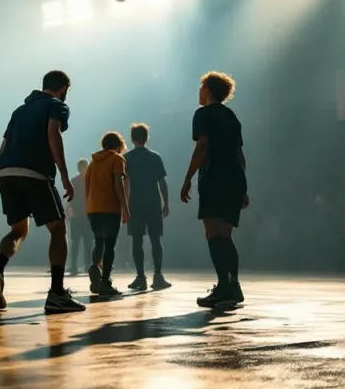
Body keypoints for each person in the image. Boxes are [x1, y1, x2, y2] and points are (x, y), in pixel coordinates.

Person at [0, 70, 86, 314]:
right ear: (64, 89)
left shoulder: (19, 110)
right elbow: (53, 134)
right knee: (58, 229)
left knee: (18, 230)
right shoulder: (57, 105)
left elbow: (4, 144)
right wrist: (63, 173)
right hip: (34, 172)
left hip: (6, 171)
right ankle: (57, 294)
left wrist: (0, 175)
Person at [180, 71, 248, 308]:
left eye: (201, 87)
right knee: (226, 235)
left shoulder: (202, 114)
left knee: (212, 233)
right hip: (234, 180)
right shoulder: (232, 117)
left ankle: (222, 288)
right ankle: (233, 285)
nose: (199, 92)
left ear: (208, 89)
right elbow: (240, 155)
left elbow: (203, 145)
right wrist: (244, 187)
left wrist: (187, 177)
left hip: (214, 177)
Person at [125, 123, 171, 291]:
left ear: (131, 138)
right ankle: (158, 276)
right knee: (155, 239)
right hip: (152, 202)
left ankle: (140, 277)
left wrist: (123, 205)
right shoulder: (155, 157)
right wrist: (166, 202)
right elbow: (162, 182)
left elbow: (125, 183)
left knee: (137, 240)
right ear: (147, 137)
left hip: (134, 203)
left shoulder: (126, 158)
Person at [84, 132, 130, 296]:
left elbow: (87, 187)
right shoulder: (117, 159)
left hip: (93, 208)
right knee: (110, 245)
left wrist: (88, 206)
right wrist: (125, 207)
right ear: (119, 145)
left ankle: (95, 267)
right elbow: (118, 184)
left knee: (99, 241)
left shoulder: (92, 163)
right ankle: (105, 282)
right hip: (110, 208)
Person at [66, 158, 93, 276]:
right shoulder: (75, 181)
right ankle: (74, 266)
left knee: (88, 242)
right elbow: (70, 197)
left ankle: (88, 265)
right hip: (77, 215)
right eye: (81, 167)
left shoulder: (91, 180)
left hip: (87, 215)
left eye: (84, 167)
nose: (83, 169)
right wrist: (70, 208)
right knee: (75, 241)